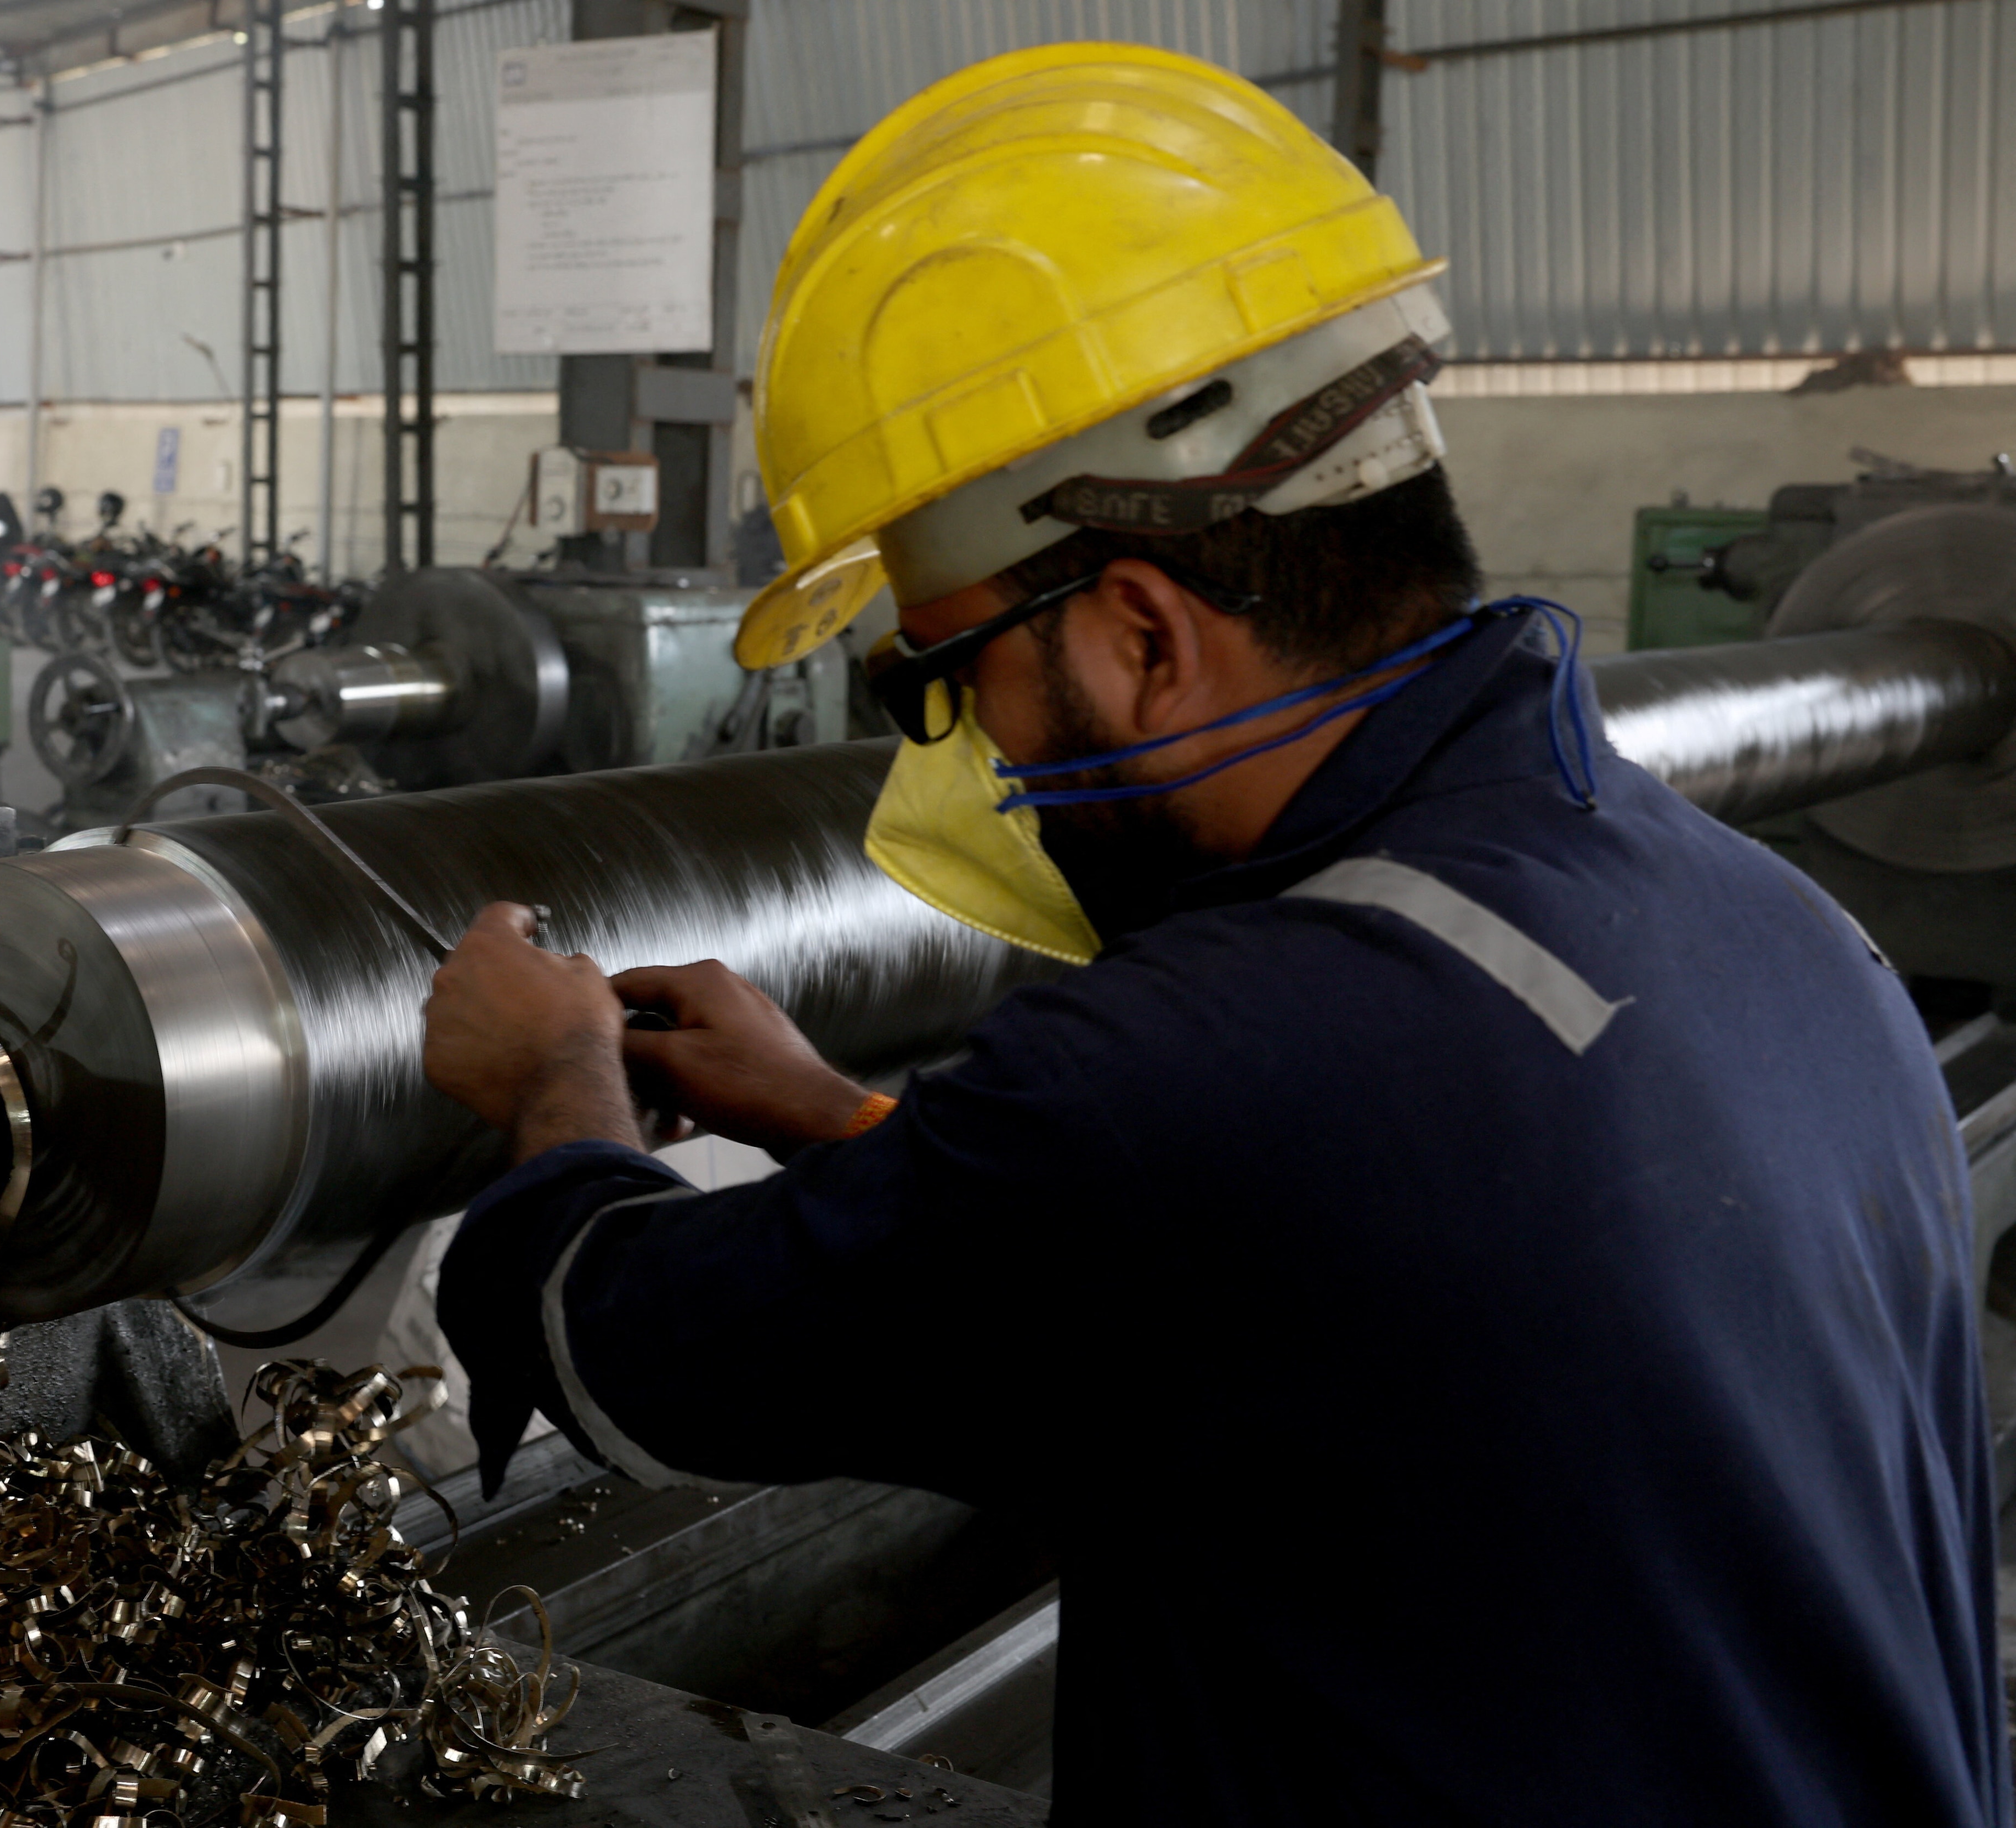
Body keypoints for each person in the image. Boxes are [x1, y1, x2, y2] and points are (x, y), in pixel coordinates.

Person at [418, 42, 2010, 1824]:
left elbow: (642, 1343)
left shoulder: (1219, 1053)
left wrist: (554, 1085)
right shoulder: (1760, 920)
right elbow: (1320, 1265)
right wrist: (851, 1123)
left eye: (946, 675)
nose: (975, 754)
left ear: (1142, 632)